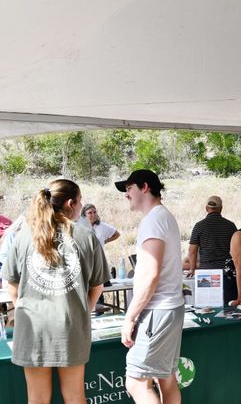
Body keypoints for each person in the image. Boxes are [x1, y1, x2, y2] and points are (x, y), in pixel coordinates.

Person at [1, 179, 109, 404]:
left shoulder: (23, 236)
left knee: (37, 398)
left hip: (32, 327)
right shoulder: (86, 236)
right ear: (71, 203)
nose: (81, 207)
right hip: (69, 326)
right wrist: (82, 310)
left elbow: (9, 284)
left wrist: (24, 307)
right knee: (74, 396)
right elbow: (97, 285)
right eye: (80, 202)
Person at [115, 169, 184, 404]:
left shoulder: (154, 219)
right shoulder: (163, 216)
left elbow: (150, 275)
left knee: (136, 383)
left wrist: (130, 317)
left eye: (129, 188)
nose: (126, 195)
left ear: (144, 187)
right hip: (168, 308)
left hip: (158, 311)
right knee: (166, 378)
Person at [187, 195, 237, 276]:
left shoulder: (199, 226)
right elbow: (237, 250)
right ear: (221, 208)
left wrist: (192, 269)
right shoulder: (230, 226)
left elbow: (192, 251)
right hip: (226, 271)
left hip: (205, 271)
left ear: (206, 208)